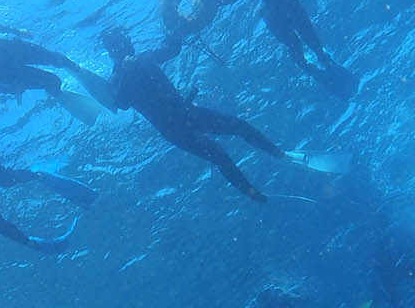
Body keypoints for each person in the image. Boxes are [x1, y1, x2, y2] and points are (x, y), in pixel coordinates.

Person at [100, 24, 284, 202]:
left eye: (128, 39)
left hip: (185, 114)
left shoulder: (143, 58)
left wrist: (173, 30)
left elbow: (172, 50)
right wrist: (126, 73)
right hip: (174, 127)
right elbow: (122, 104)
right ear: (116, 49)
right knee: (218, 152)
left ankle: (276, 153)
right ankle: (251, 191)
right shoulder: (117, 78)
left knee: (237, 128)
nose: (131, 43)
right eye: (126, 40)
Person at [216, 0, 356, 97]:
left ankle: (325, 60)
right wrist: (217, 0)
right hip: (275, 18)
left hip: (294, 8)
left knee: (313, 39)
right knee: (294, 45)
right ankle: (310, 68)